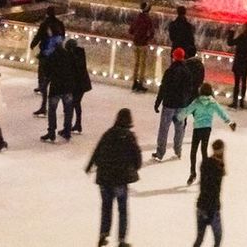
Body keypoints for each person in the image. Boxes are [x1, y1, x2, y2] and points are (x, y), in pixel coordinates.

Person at [86, 106, 142, 247]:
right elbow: (137, 157)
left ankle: (103, 234)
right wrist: (134, 168)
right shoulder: (129, 136)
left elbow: (97, 151)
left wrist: (90, 166)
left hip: (104, 178)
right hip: (120, 179)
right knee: (122, 210)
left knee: (106, 207)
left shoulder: (108, 134)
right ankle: (121, 240)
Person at [177, 81, 236, 185]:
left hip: (197, 129)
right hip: (207, 129)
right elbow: (221, 113)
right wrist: (229, 122)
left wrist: (178, 117)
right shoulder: (213, 103)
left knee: (193, 151)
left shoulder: (197, 102)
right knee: (203, 150)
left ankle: (192, 173)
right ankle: (205, 173)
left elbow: (187, 111)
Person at [153, 46, 193, 160]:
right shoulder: (187, 72)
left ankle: (160, 152)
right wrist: (187, 103)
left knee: (164, 128)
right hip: (182, 105)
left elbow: (163, 88)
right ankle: (178, 150)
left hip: (169, 104)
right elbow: (190, 89)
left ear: (174, 57)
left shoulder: (170, 71)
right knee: (180, 128)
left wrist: (158, 102)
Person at [30, 5, 65, 115]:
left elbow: (39, 36)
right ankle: (66, 107)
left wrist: (32, 44)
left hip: (46, 55)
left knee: (44, 77)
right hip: (57, 56)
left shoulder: (45, 24)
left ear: (47, 13)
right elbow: (63, 36)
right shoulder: (60, 23)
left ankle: (43, 101)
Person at [42, 34, 78, 142]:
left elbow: (47, 71)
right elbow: (74, 70)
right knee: (68, 110)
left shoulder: (52, 56)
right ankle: (67, 131)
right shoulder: (69, 55)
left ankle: (51, 132)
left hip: (56, 87)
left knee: (52, 110)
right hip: (67, 87)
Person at [194, 137, 227, 247]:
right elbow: (215, 187)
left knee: (200, 238)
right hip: (212, 207)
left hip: (202, 205)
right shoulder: (219, 166)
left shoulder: (205, 163)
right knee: (218, 238)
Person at [128, 1, 155, 92]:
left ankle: (134, 82)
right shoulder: (148, 19)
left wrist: (136, 35)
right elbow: (152, 32)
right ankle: (140, 83)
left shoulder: (137, 18)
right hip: (143, 44)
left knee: (136, 63)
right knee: (142, 65)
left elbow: (130, 31)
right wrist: (148, 39)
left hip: (135, 43)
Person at [226, 21, 247, 108]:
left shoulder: (242, 37)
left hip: (239, 62)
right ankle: (242, 102)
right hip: (246, 63)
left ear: (244, 28)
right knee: (244, 82)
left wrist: (231, 32)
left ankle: (235, 102)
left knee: (237, 83)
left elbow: (230, 43)